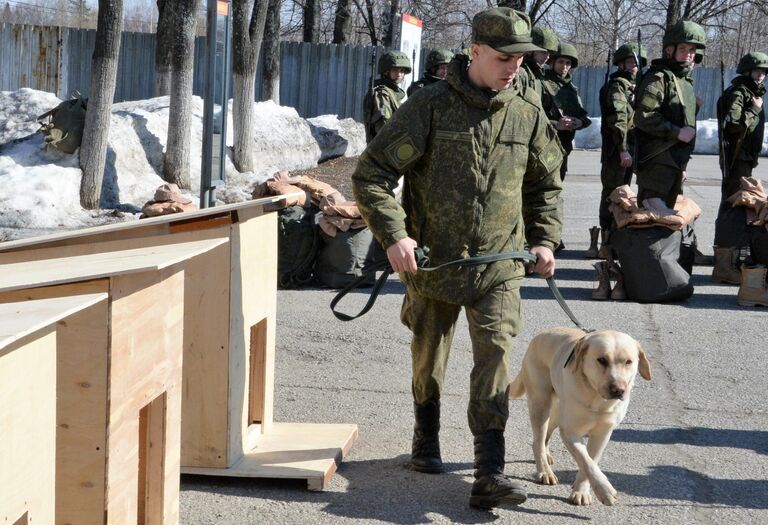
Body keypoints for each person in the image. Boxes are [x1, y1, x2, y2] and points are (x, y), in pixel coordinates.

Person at [352, 7, 564, 510]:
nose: (513, 67)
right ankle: (426, 434)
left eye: (519, 58)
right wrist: (393, 236)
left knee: (495, 355)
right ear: (473, 52)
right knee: (429, 355)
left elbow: (545, 186)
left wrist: (545, 240)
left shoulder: (527, 113)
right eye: (502, 57)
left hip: (498, 266)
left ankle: (489, 469)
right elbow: (372, 174)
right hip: (434, 265)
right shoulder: (429, 106)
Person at [633, 20, 706, 215]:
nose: (688, 53)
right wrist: (676, 132)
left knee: (667, 222)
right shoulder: (659, 78)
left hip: (675, 161)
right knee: (654, 218)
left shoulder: (683, 81)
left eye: (692, 49)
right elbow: (643, 116)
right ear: (669, 50)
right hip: (657, 162)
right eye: (682, 48)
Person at [712, 51, 767, 282]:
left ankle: (730, 260)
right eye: (758, 71)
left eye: (764, 72)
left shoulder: (750, 92)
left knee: (735, 208)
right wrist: (754, 109)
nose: (761, 76)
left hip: (745, 159)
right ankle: (724, 265)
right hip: (736, 159)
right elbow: (733, 125)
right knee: (732, 209)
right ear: (746, 71)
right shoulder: (738, 93)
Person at [589, 42, 647, 259]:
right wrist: (623, 149)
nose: (635, 66)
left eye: (637, 63)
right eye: (631, 62)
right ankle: (607, 241)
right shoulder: (618, 87)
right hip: (617, 151)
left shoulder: (635, 87)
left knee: (626, 195)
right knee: (613, 195)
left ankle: (616, 238)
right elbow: (618, 121)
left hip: (631, 149)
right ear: (621, 63)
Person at [541, 42, 592, 182]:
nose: (564, 66)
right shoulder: (541, 83)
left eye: (568, 63)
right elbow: (532, 117)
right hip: (544, 146)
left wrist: (579, 122)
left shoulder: (571, 89)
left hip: (564, 147)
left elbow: (584, 117)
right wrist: (556, 124)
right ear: (552, 62)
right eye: (561, 62)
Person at [363, 50, 412, 143]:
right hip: (385, 148)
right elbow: (383, 126)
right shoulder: (382, 93)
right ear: (385, 72)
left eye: (402, 71)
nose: (399, 74)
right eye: (395, 70)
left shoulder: (391, 92)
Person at [521, 26, 559, 98]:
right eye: (543, 52)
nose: (547, 57)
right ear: (530, 50)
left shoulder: (539, 75)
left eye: (549, 53)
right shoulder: (520, 73)